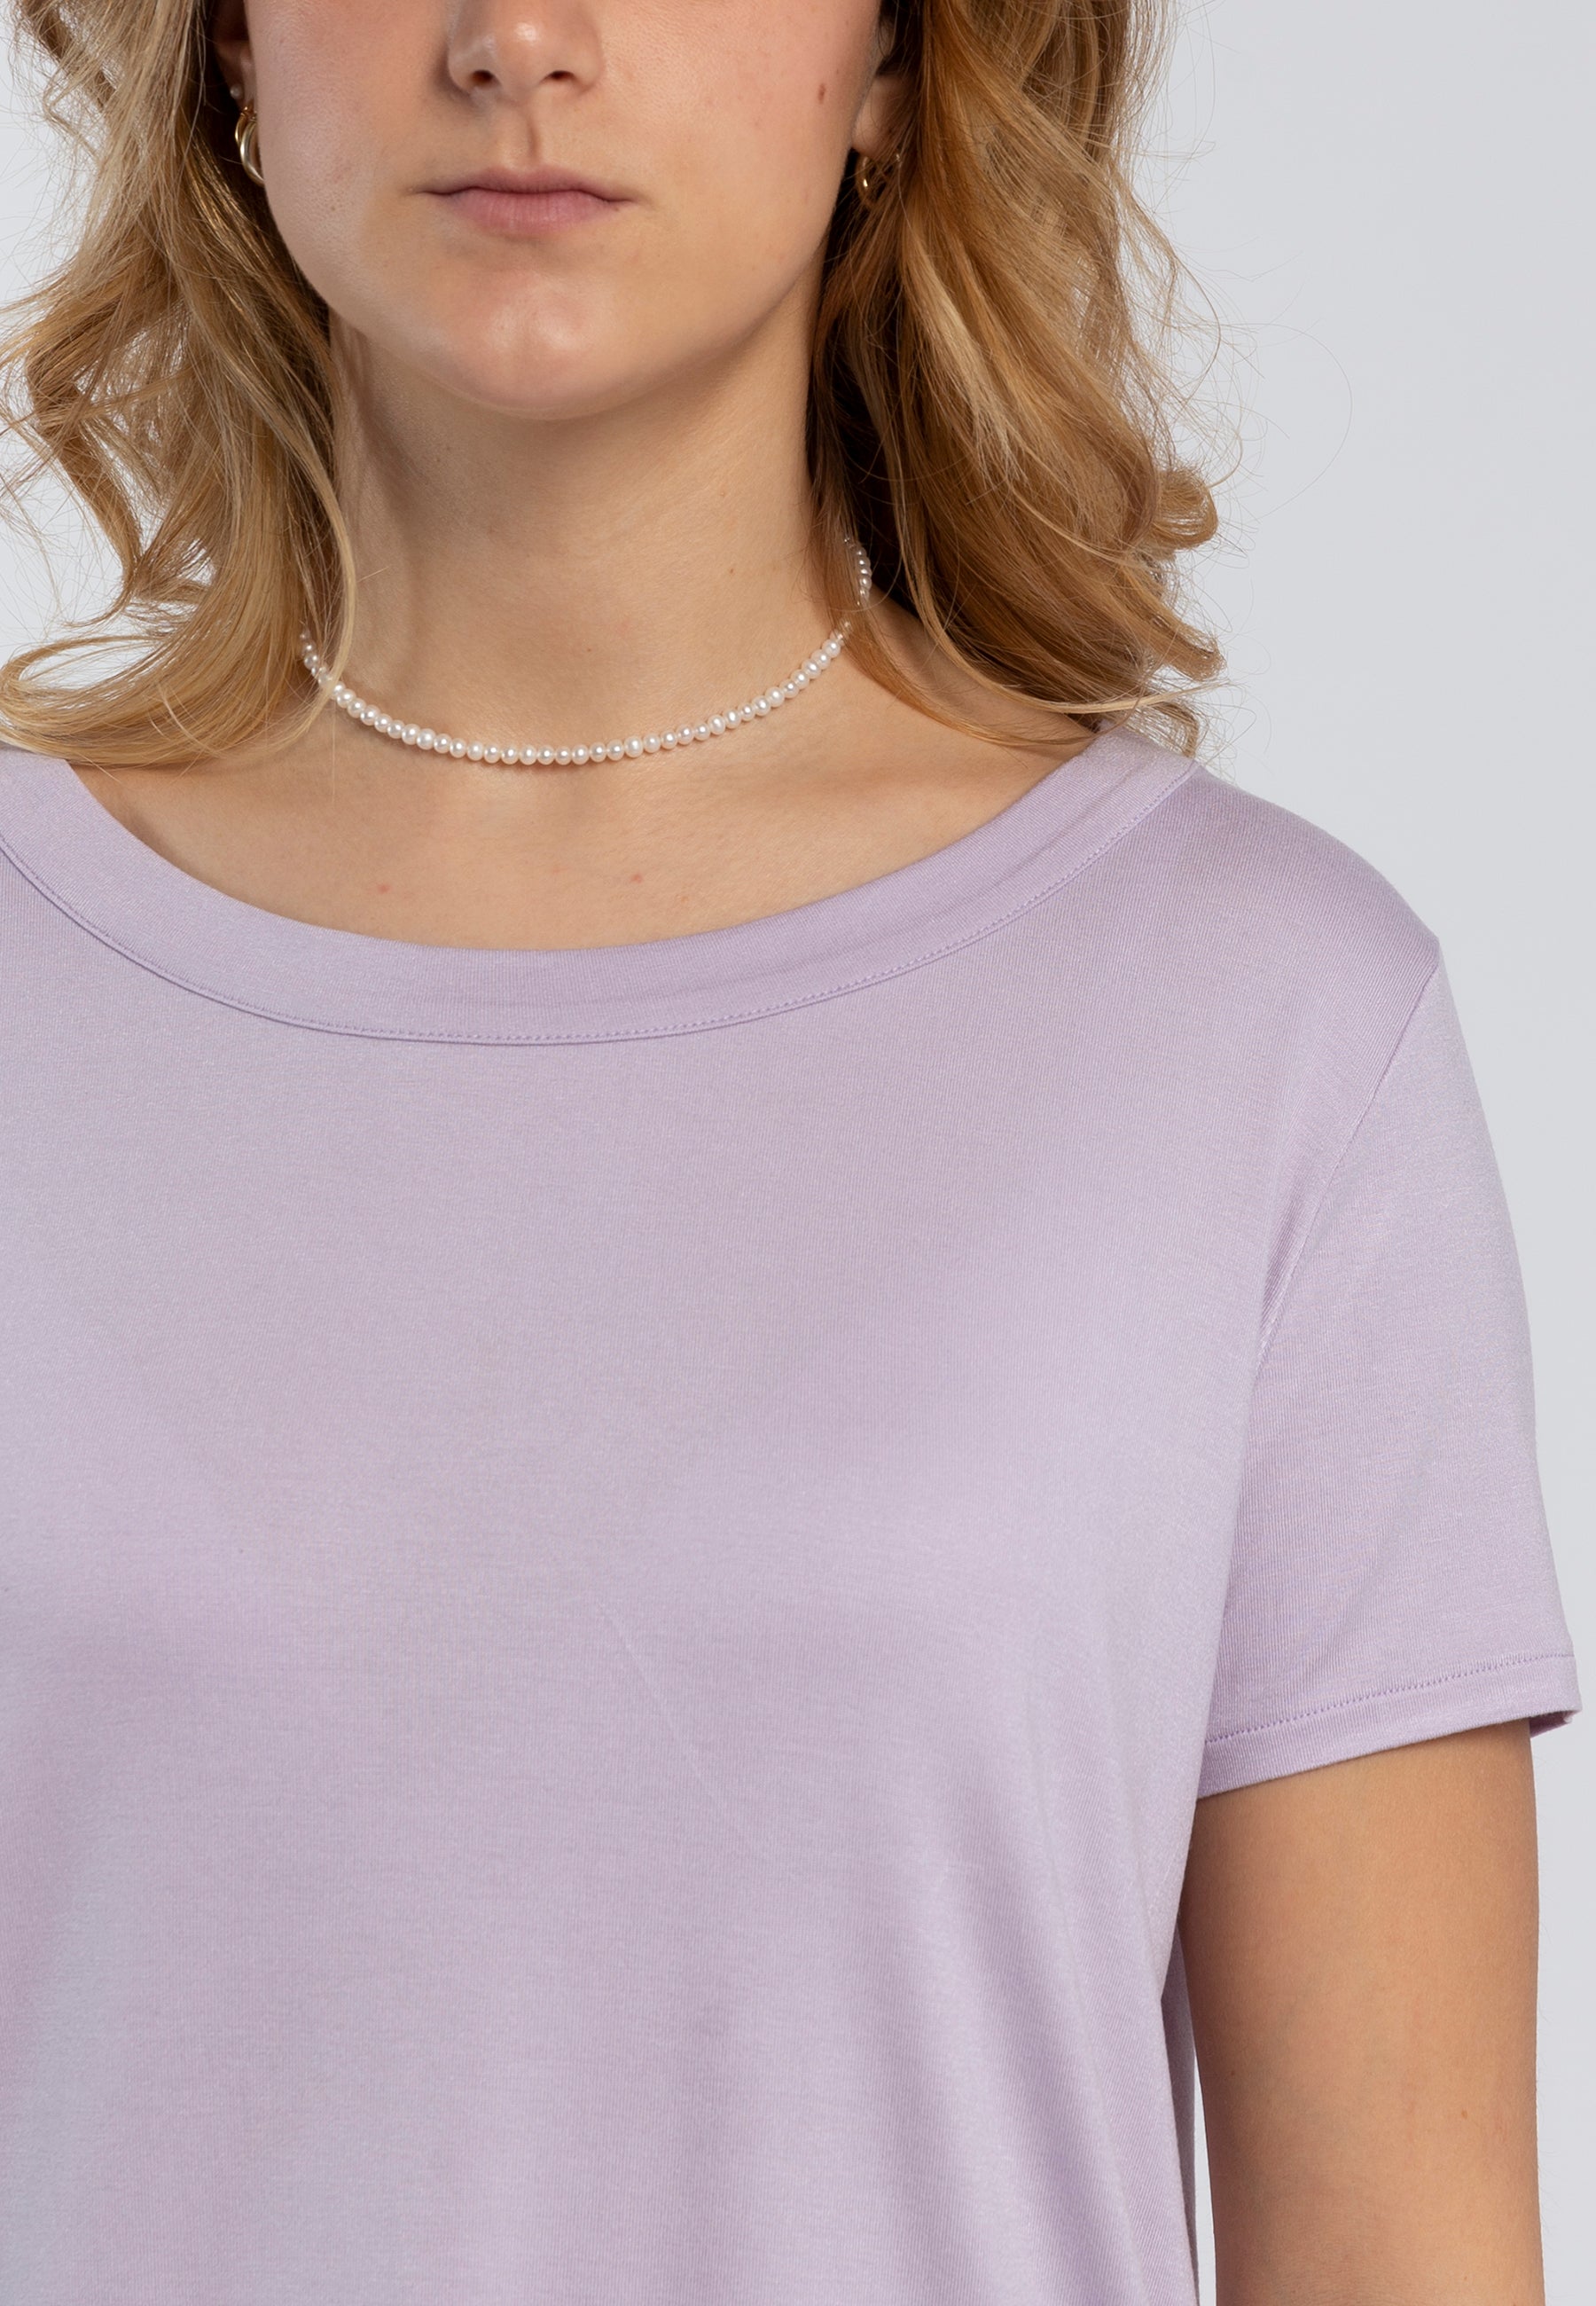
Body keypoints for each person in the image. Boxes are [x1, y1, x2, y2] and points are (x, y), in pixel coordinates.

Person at [0, 1, 1579, 2299]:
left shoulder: (1259, 1027)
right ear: (230, 39)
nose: (520, 37)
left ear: (902, 60)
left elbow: (1399, 2255)